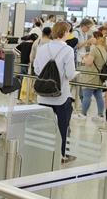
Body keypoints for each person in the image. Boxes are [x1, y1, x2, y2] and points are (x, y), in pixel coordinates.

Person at [33, 21, 76, 164]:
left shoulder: (42, 48)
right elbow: (69, 74)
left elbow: (37, 70)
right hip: (61, 96)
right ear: (64, 33)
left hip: (43, 95)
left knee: (43, 126)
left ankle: (43, 152)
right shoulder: (68, 50)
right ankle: (63, 154)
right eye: (68, 31)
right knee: (63, 126)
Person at [77, 31, 107, 120]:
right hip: (98, 77)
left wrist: (84, 57)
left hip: (91, 76)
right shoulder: (103, 48)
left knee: (87, 95)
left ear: (96, 38)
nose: (90, 39)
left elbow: (89, 62)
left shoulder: (94, 49)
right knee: (98, 96)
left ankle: (83, 114)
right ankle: (100, 115)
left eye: (92, 37)